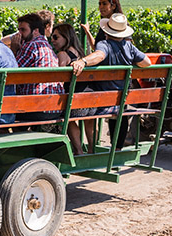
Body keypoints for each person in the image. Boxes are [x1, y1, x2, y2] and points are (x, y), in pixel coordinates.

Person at [72, 13, 151, 149]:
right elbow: (147, 62)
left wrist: (83, 61)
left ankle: (86, 149)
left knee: (80, 110)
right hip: (121, 101)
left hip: (103, 103)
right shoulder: (129, 46)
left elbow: (99, 55)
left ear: (106, 31)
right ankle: (117, 149)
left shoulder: (104, 44)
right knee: (121, 111)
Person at [51, 23, 93, 155]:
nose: (52, 40)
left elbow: (59, 78)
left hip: (75, 102)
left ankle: (78, 151)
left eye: (55, 37)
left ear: (66, 37)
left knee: (67, 117)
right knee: (90, 118)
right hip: (92, 101)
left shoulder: (63, 54)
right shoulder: (81, 53)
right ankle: (92, 149)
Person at [14, 13, 63, 124]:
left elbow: (12, 75)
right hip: (55, 107)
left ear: (35, 31)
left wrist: (14, 50)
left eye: (23, 30)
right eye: (19, 30)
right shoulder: (47, 45)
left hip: (36, 107)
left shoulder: (30, 45)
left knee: (1, 113)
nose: (19, 34)